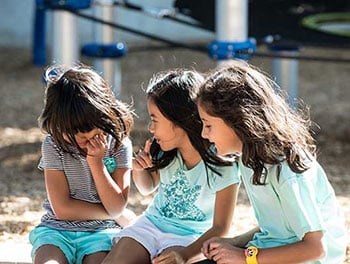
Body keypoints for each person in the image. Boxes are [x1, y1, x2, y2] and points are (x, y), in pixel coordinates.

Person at [195, 60, 346, 264]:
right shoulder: (249, 159)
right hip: (269, 254)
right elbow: (279, 225)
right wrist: (234, 243)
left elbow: (315, 248)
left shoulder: (286, 170)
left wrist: (245, 257)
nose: (204, 134)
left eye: (208, 125)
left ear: (237, 120)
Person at [102, 69, 240, 264]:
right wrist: (140, 170)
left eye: (155, 119)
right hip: (150, 226)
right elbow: (146, 188)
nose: (150, 128)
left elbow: (220, 228)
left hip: (189, 237)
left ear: (178, 119)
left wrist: (184, 255)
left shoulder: (222, 163)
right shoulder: (165, 150)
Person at [29, 64, 135, 264]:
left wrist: (97, 163)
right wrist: (115, 214)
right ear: (56, 123)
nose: (83, 140)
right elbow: (62, 209)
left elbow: (116, 204)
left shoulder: (120, 145)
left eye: (92, 133)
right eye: (73, 133)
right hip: (56, 230)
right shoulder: (54, 145)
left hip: (101, 232)